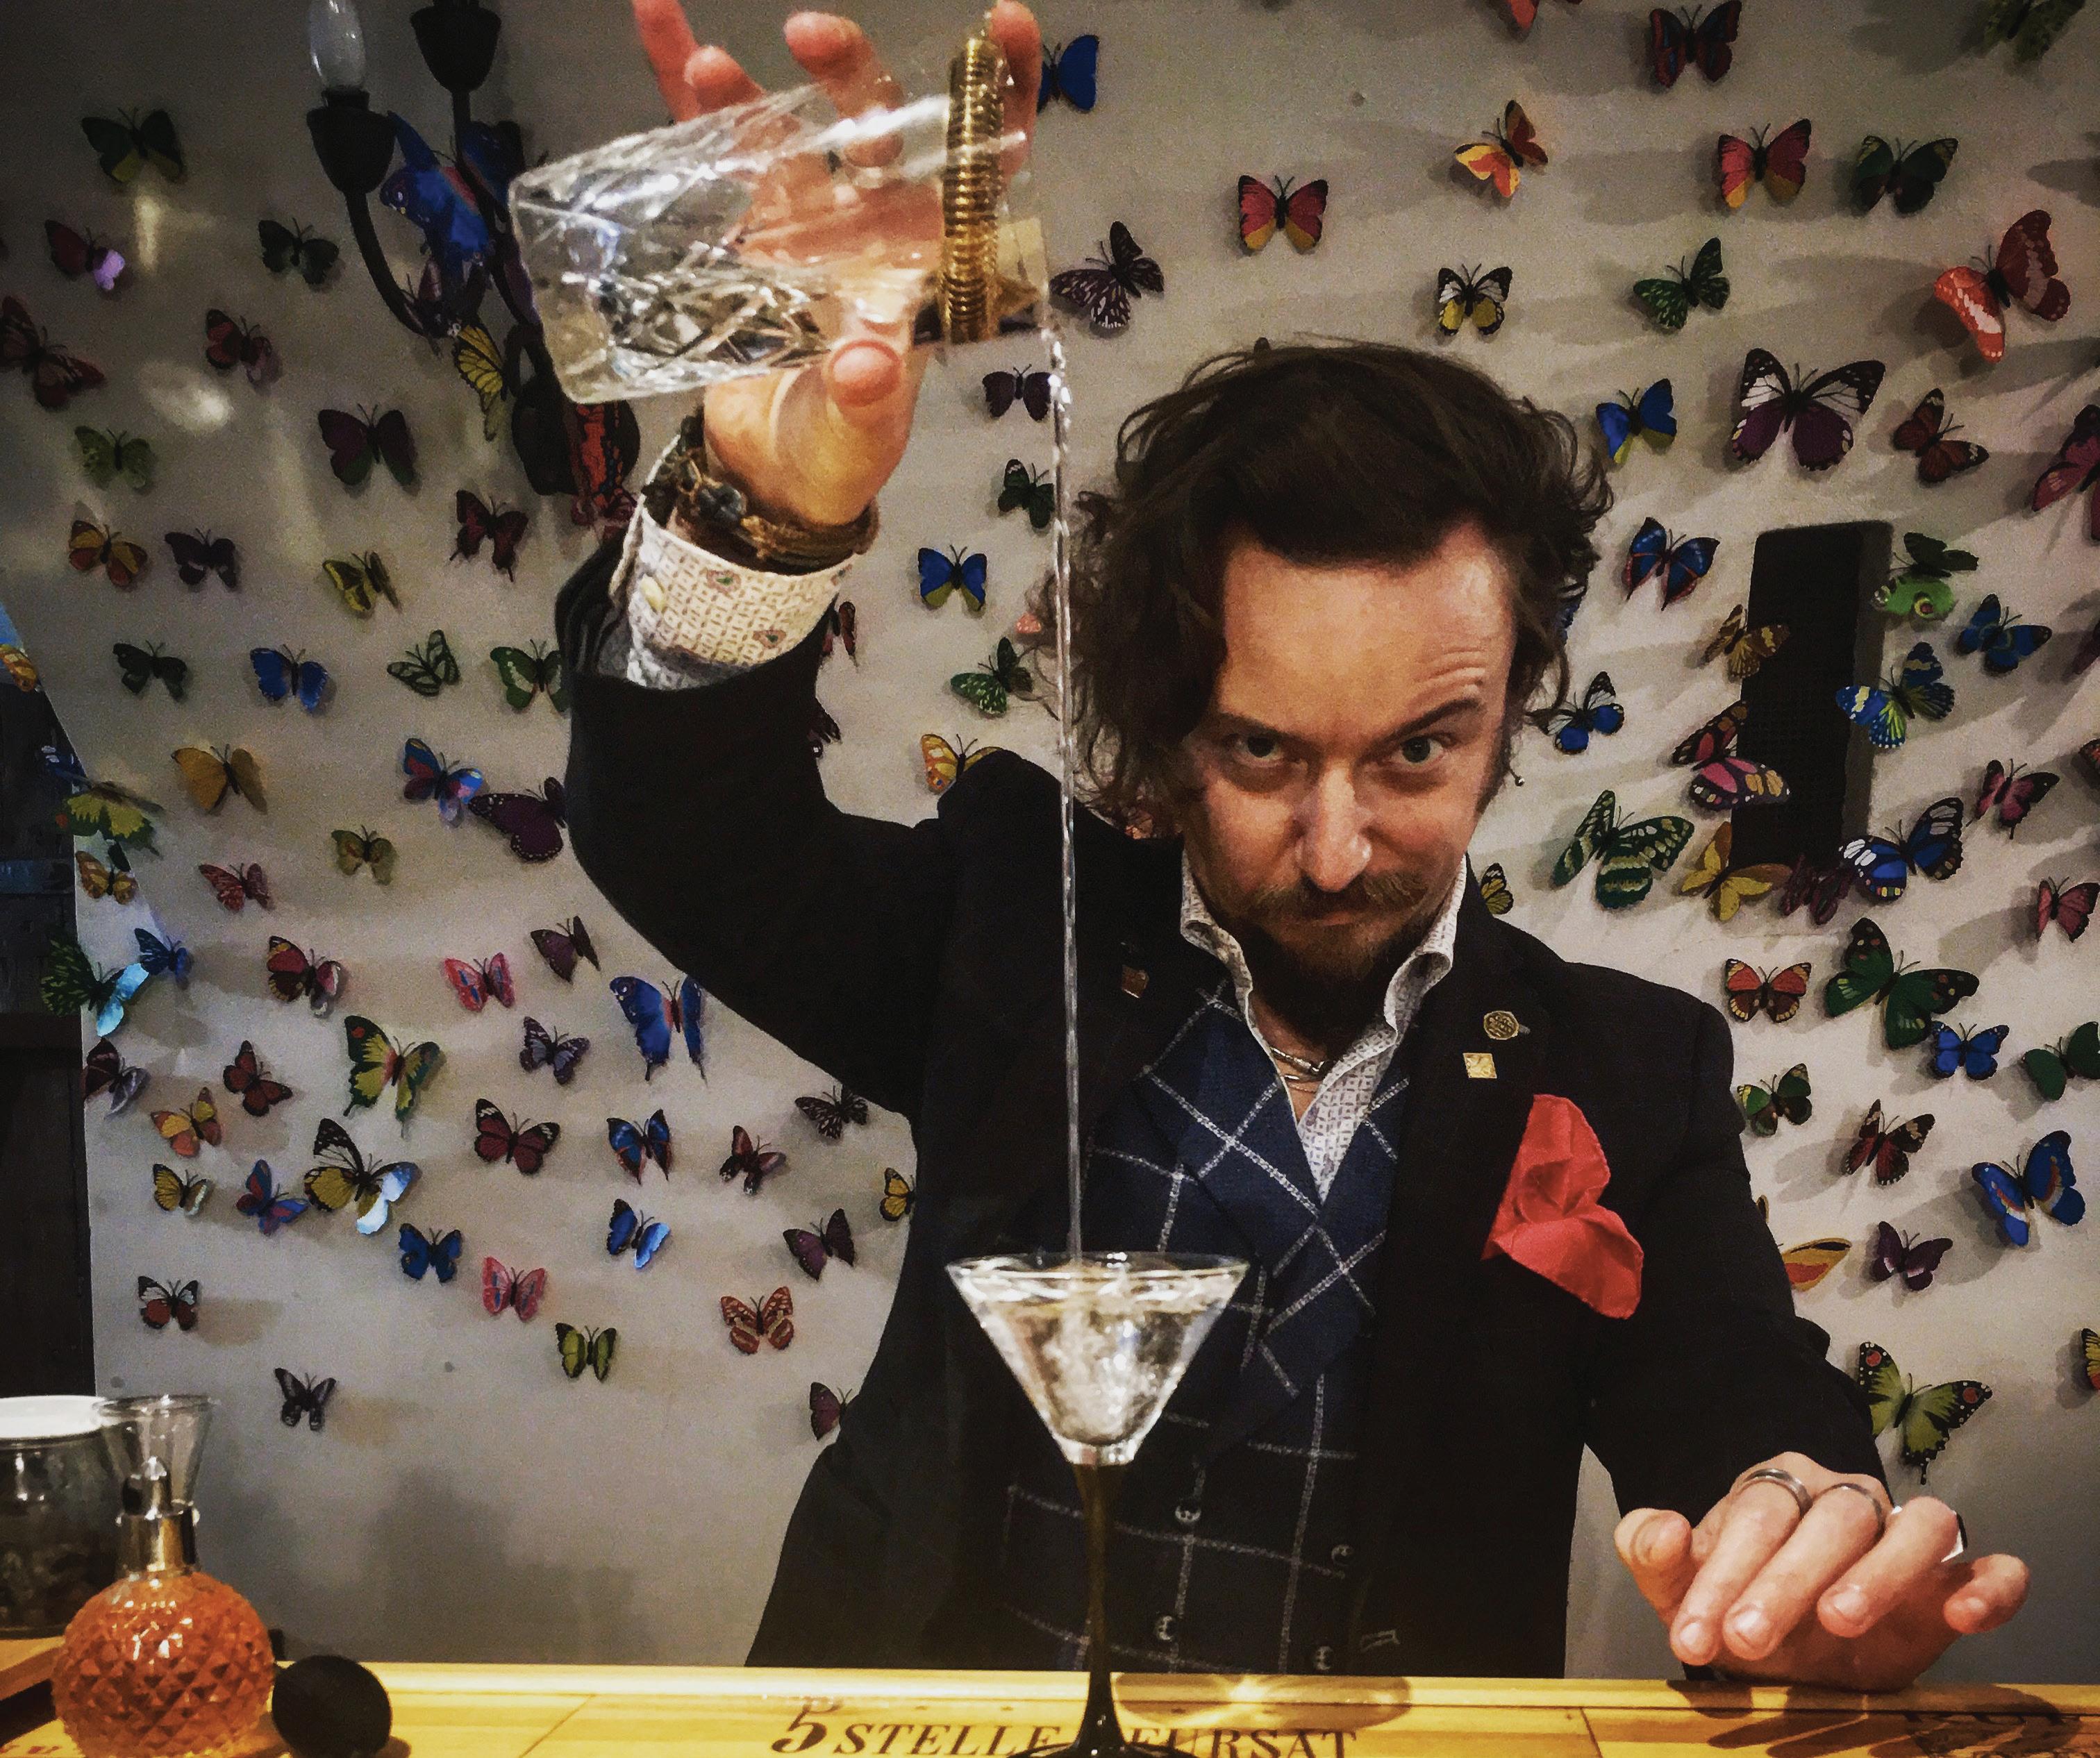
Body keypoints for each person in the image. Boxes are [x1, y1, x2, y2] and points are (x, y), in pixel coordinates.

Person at [554, 0, 2031, 1687]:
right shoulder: (1009, 919)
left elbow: (1732, 1386)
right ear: (1167, 719)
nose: (1337, 852)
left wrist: (1805, 1525)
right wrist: (761, 509)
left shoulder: (1631, 1068)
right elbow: (676, 830)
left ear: (1511, 707)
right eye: (1261, 750)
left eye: (1419, 751)